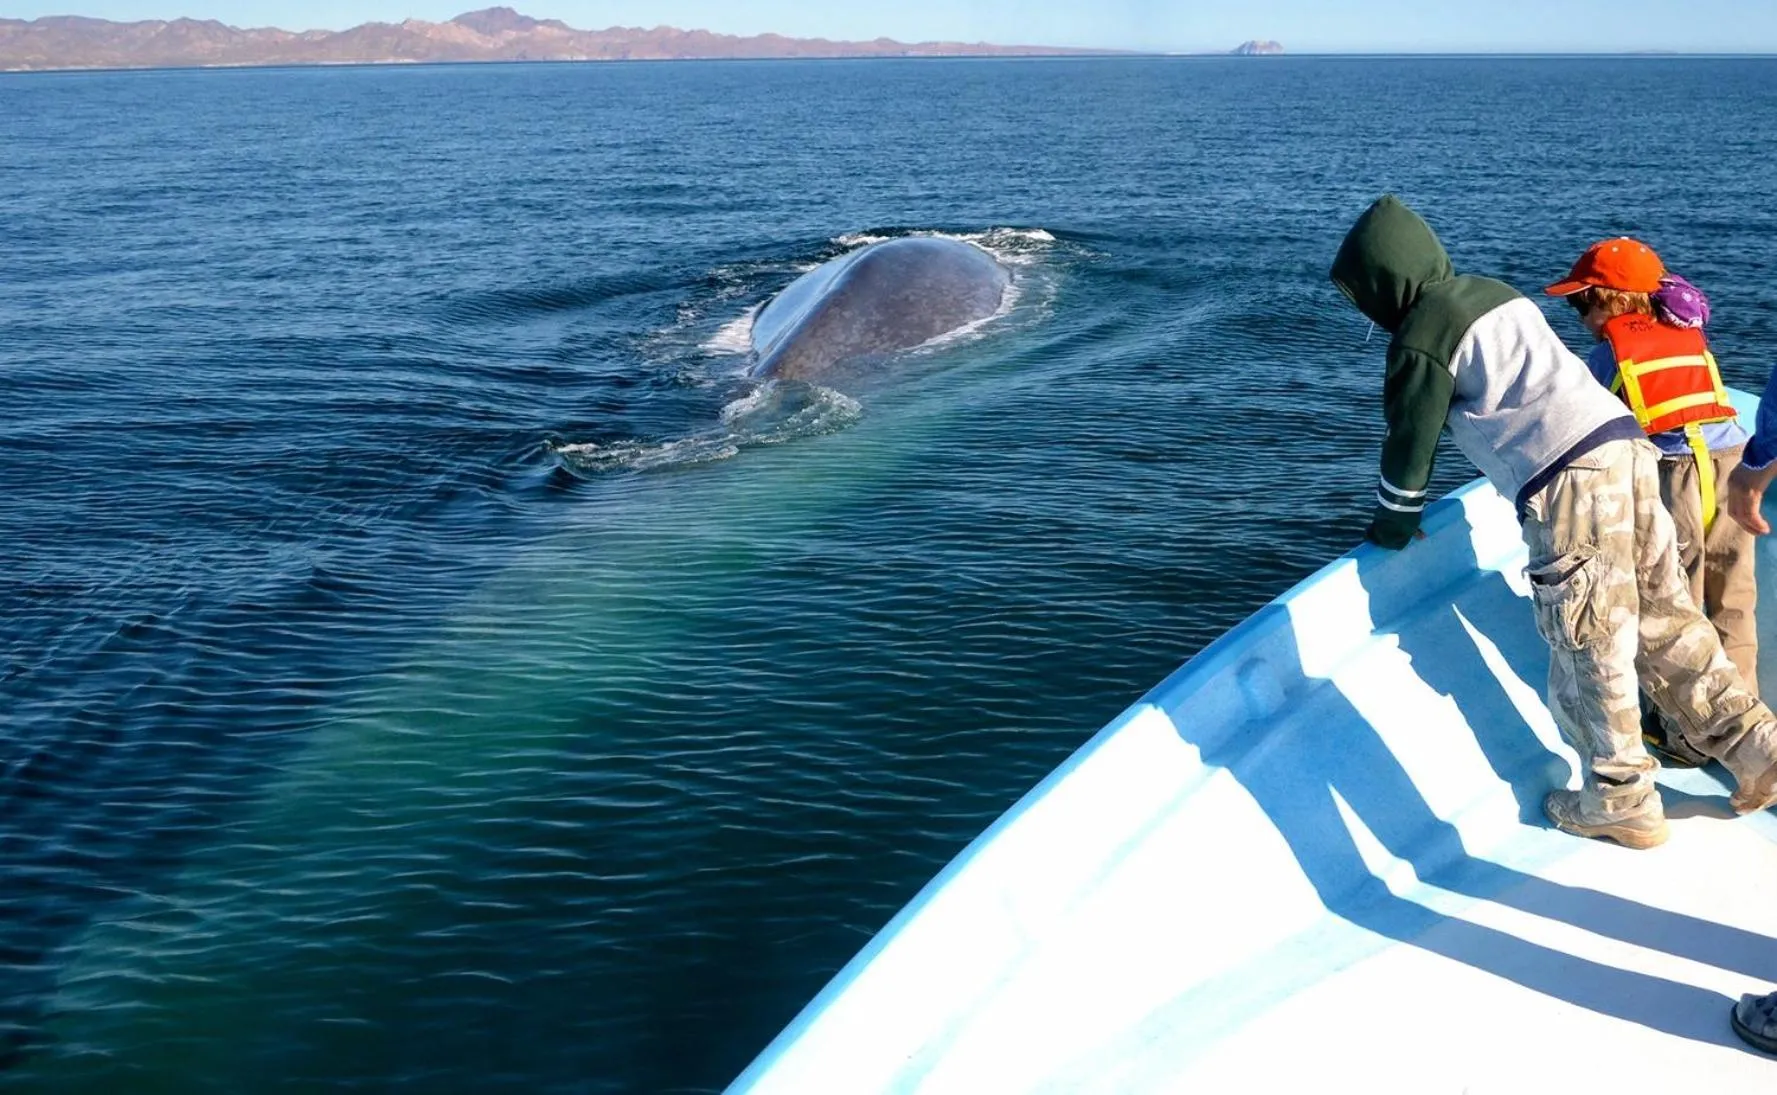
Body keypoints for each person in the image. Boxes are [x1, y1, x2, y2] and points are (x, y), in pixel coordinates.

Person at [1328, 194, 1777, 849]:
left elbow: (1408, 445)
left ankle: (1620, 798)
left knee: (1590, 643)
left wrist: (1392, 526)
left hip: (1570, 482)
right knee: (1665, 618)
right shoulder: (1492, 291)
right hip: (1626, 449)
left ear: (1381, 281)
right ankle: (1759, 750)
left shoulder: (1422, 335)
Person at [1544, 241, 1757, 770]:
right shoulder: (1686, 330)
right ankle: (1749, 720)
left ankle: (1684, 734)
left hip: (1675, 475)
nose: (1582, 319)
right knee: (1732, 595)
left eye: (1583, 305)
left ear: (1613, 303)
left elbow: (1585, 427)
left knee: (1672, 604)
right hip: (1729, 461)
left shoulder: (1607, 354)